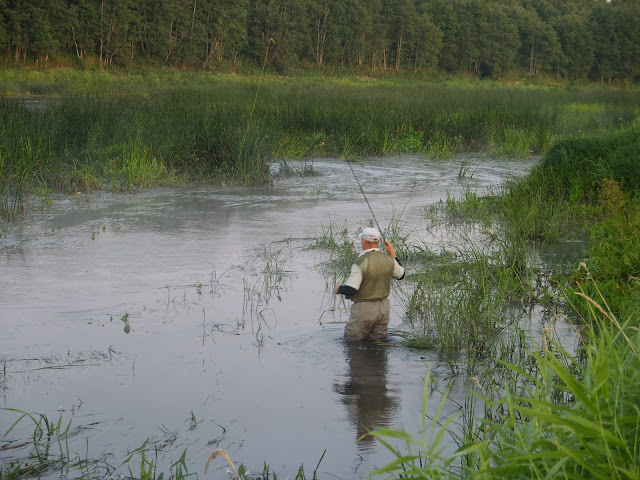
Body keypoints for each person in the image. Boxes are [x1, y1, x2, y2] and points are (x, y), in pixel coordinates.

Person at [334, 227, 405, 342]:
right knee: (379, 344)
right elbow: (401, 275)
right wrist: (393, 254)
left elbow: (351, 289)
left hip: (364, 309)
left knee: (352, 343)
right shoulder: (389, 260)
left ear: (364, 241)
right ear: (378, 242)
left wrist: (339, 289)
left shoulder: (360, 262)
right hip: (384, 308)